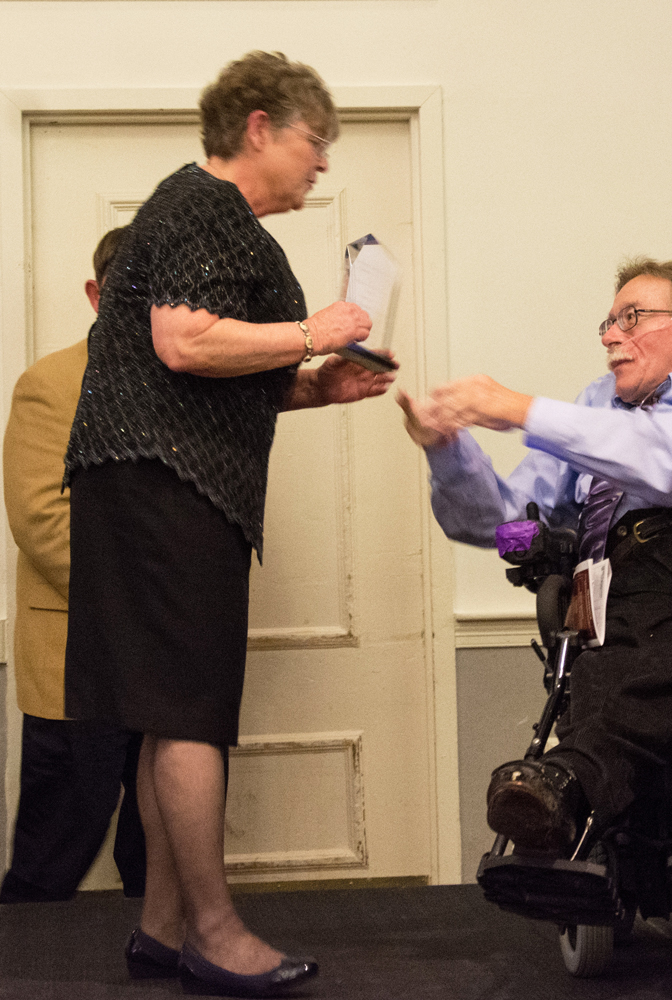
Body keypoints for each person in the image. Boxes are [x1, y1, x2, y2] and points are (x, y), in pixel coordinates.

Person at [62, 52, 395, 996]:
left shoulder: (206, 216)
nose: (321, 163)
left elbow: (204, 373)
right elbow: (184, 339)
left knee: (178, 712)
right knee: (189, 715)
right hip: (164, 489)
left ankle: (163, 929)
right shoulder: (201, 206)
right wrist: (312, 334)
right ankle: (213, 932)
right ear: (259, 127)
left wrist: (312, 388)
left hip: (163, 480)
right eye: (313, 141)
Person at [399, 258, 672, 858]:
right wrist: (447, 452)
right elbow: (502, 523)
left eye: (631, 318)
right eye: (608, 322)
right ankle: (567, 784)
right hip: (632, 566)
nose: (611, 335)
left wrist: (521, 409)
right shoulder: (595, 406)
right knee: (625, 674)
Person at [1, 227, 146, 904]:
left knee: (162, 862)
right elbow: (40, 519)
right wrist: (148, 603)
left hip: (174, 668)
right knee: (49, 864)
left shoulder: (201, 390)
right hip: (74, 662)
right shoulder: (47, 385)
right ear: (97, 295)